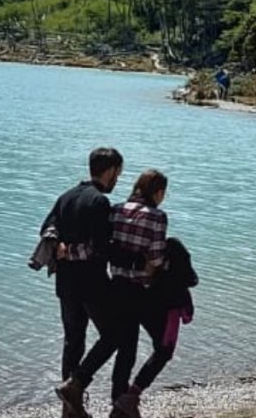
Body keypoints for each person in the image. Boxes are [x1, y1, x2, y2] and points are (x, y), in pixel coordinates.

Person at [45, 148, 132, 418]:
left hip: (65, 283)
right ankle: (76, 383)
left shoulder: (66, 197)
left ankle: (69, 410)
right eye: (118, 172)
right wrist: (136, 261)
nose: (118, 178)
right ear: (110, 171)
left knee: (73, 342)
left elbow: (46, 229)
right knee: (114, 335)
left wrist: (63, 249)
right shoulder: (98, 203)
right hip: (92, 283)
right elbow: (101, 248)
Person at [109, 170, 175, 418]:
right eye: (163, 193)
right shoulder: (157, 217)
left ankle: (118, 402)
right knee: (164, 346)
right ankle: (133, 394)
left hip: (115, 286)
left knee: (126, 349)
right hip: (142, 290)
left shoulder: (116, 209)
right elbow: (156, 258)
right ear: (158, 192)